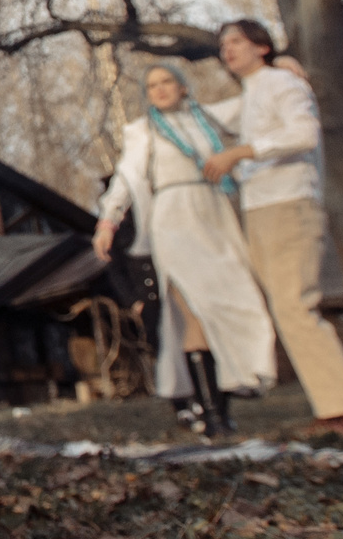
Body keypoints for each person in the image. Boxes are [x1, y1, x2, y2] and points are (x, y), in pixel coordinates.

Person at [198, 20, 343, 436]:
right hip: (259, 207)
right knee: (284, 307)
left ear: (261, 47)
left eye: (237, 41)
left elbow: (303, 134)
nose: (228, 50)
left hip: (290, 202)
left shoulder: (283, 82)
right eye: (223, 45)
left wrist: (242, 151)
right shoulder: (249, 95)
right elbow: (199, 116)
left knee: (297, 304)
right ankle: (335, 407)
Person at [94, 64, 278, 437]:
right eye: (151, 85)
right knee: (192, 308)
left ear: (182, 87)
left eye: (166, 82)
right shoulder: (142, 131)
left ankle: (232, 396)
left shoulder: (206, 118)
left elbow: (257, 99)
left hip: (214, 212)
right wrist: (108, 220)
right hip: (173, 217)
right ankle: (210, 414)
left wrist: (283, 67)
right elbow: (126, 176)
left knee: (230, 301)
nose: (159, 90)